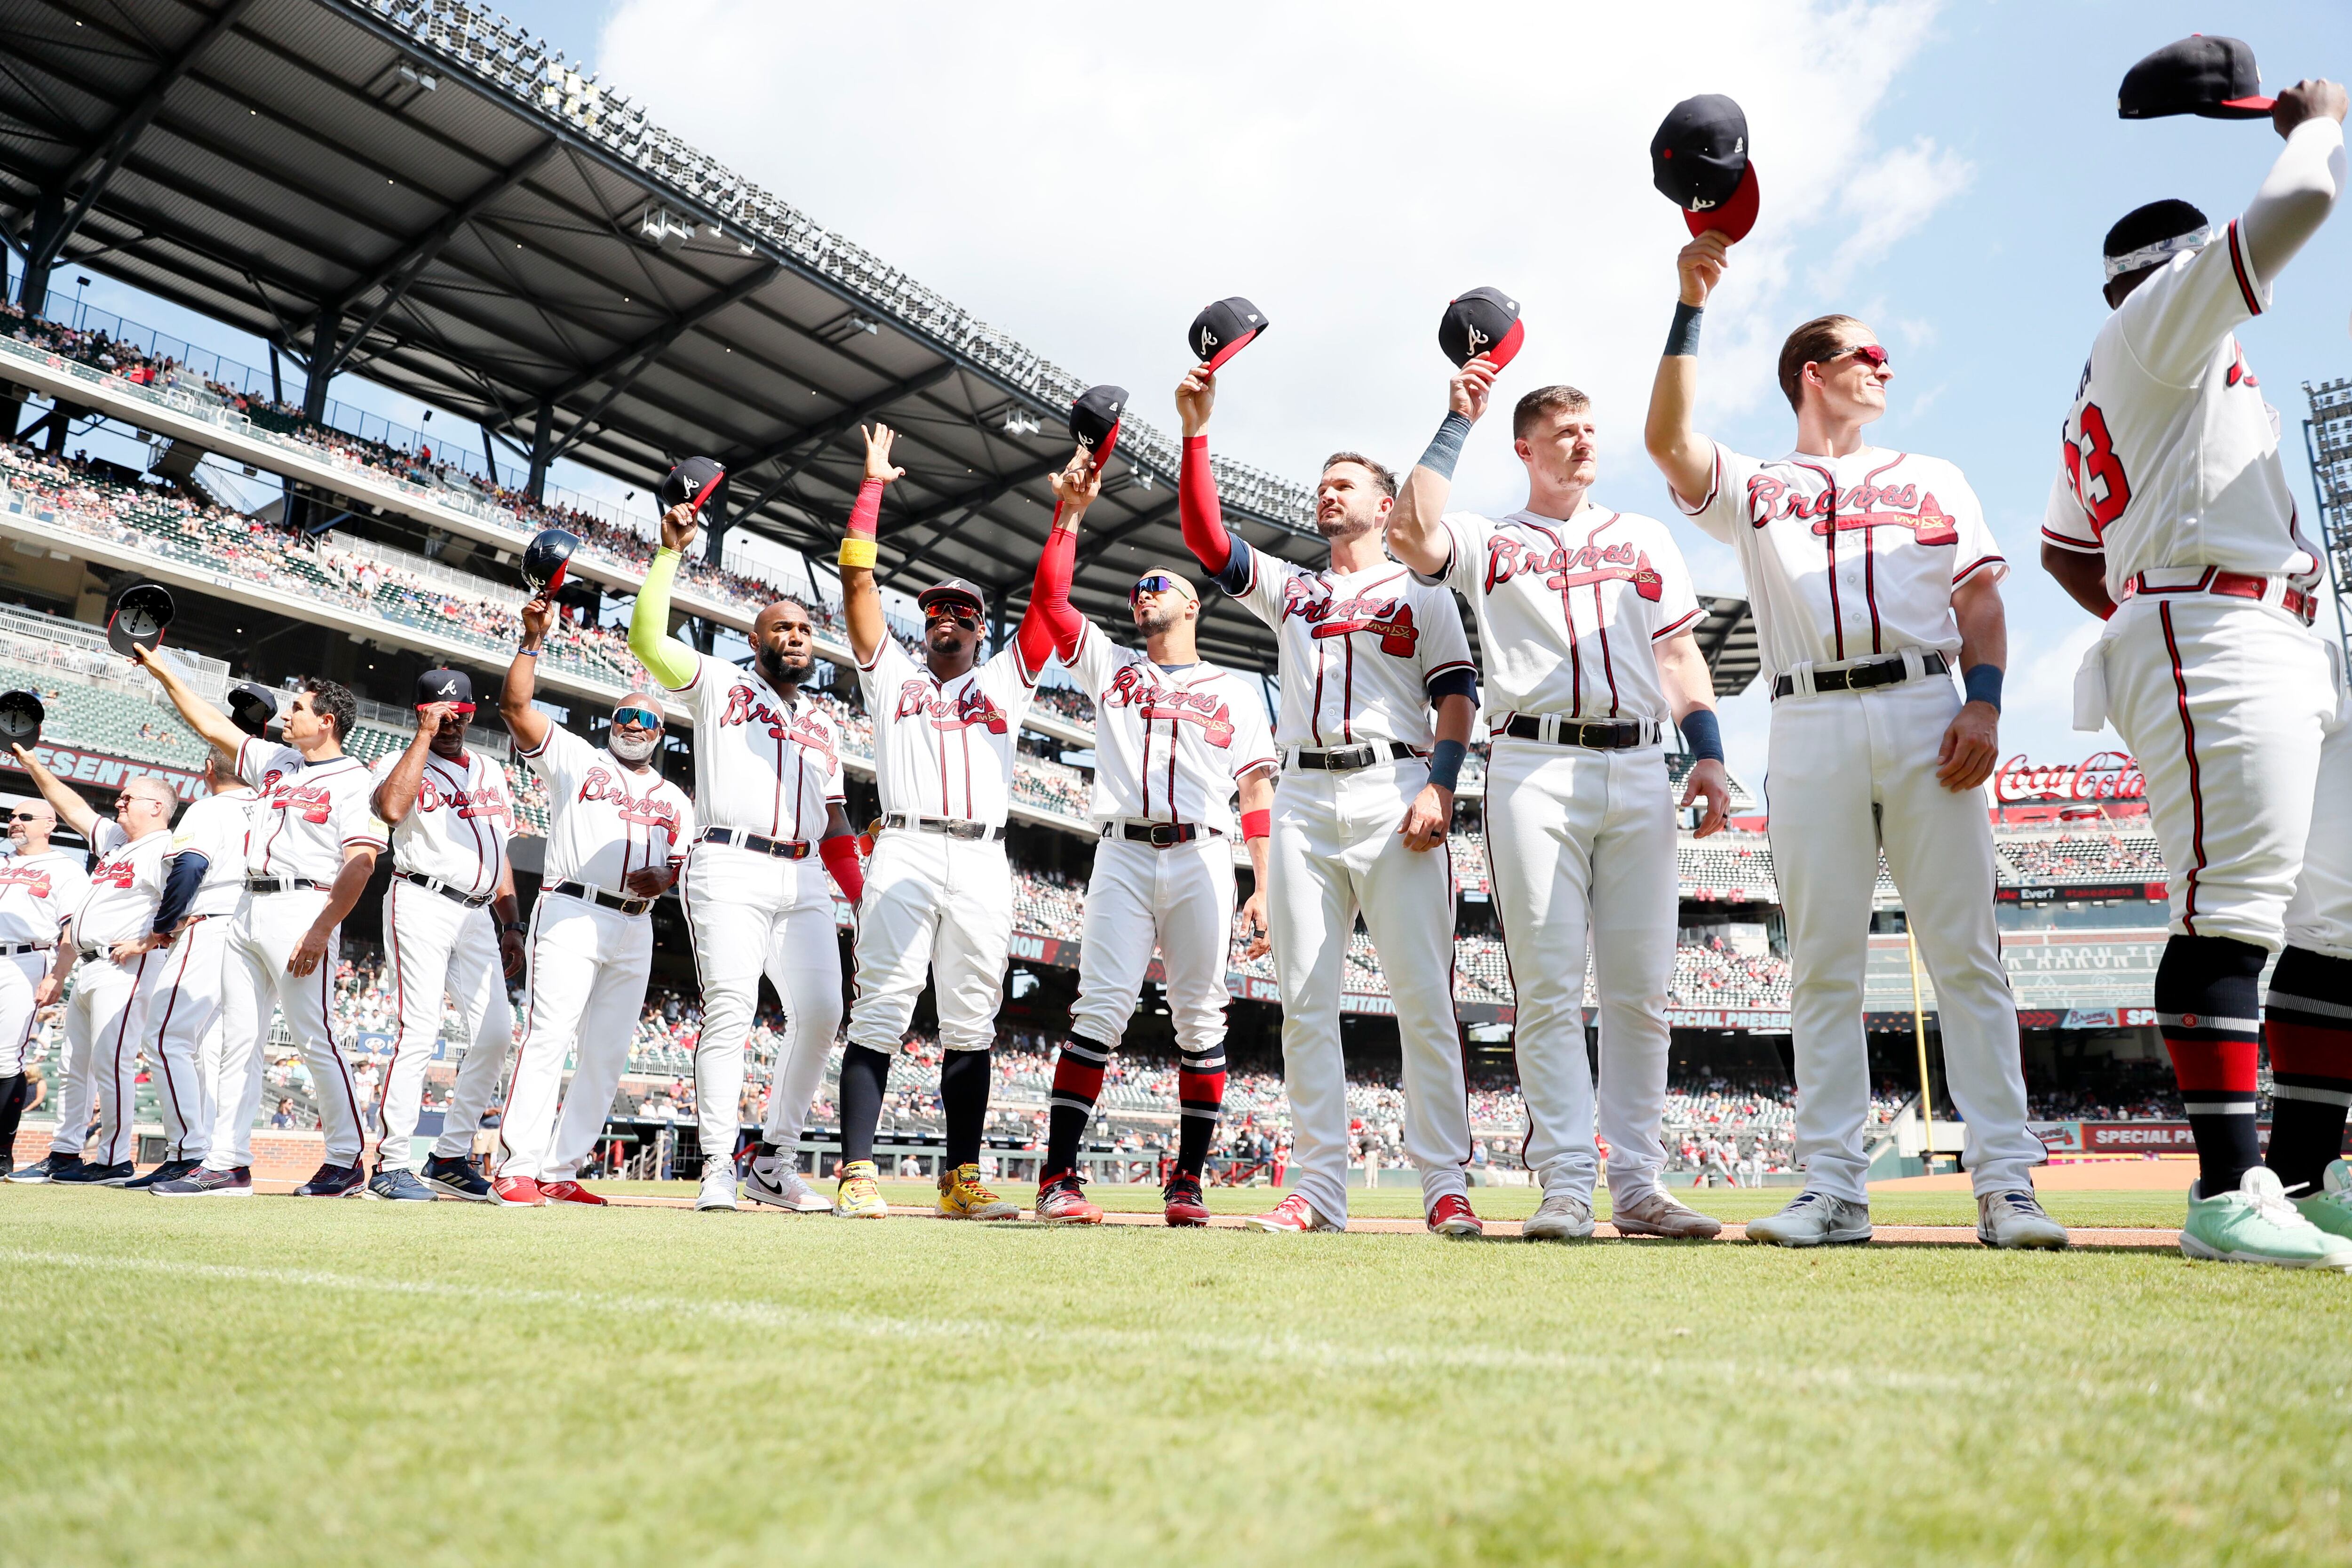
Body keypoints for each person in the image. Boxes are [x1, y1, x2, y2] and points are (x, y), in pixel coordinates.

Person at [1644, 226, 2066, 1249]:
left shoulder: (1936, 474)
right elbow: (1667, 443)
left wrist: (1987, 702)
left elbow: (1981, 603)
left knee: (1966, 952)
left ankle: (2005, 1184)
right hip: (1808, 714)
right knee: (1822, 961)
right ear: (1812, 374)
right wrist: (1691, 303)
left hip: (1930, 709)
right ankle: (1833, 1188)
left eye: (1885, 355)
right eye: (1864, 355)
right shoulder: (1757, 483)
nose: (1885, 367)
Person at [2040, 79, 2352, 1267]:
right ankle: (2227, 1191)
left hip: (2250, 623)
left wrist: (2142, 592)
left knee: (2329, 917)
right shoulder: (2161, 321)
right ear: (2171, 270)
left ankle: (2313, 1177)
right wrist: (2313, 118)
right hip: (2214, 624)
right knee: (2229, 912)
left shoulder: (2139, 362)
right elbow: (2302, 198)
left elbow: (2067, 546)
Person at [1386, 364, 1731, 1243]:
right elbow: (1407, 530)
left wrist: (1712, 755)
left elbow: (1682, 658)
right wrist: (1457, 421)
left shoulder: (1646, 534)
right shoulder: (1490, 536)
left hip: (1639, 760)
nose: (1584, 441)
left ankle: (1640, 1182)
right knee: (1545, 988)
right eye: (1565, 431)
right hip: (1533, 762)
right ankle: (1568, 1184)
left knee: (1642, 989)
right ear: (1527, 448)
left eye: (1590, 428)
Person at [1174, 361, 1486, 1237]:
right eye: (1320, 485)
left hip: (1395, 787)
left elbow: (1458, 692)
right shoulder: (1294, 589)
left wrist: (1442, 781)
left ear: (1386, 505)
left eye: (1343, 484)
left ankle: (1444, 1183)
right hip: (1305, 790)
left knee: (1423, 995)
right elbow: (1207, 538)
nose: (1326, 494)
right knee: (1306, 1002)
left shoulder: (1421, 588)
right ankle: (1318, 1185)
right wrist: (1198, 430)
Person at [1018, 446, 1277, 1227]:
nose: (1142, 596)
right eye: (1135, 591)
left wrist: (1263, 883)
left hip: (1204, 850)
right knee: (1099, 1007)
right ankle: (1058, 1176)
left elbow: (1257, 789)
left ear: (1194, 605)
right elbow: (1053, 599)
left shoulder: (1233, 687)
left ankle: (1187, 1181)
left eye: (1157, 586)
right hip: (1124, 852)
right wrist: (1070, 513)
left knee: (1202, 1016)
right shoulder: (1111, 664)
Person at [829, 421, 1056, 1222]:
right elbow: (858, 587)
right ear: (922, 626)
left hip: (985, 857)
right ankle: (857, 1169)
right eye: (935, 613)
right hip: (908, 843)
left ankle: (961, 1175)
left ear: (980, 628)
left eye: (962, 612)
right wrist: (873, 488)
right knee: (883, 1006)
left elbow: (1051, 602)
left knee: (971, 1018)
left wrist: (1066, 517)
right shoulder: (889, 673)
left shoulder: (1008, 679)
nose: (947, 620)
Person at [628, 508, 861, 1215]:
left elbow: (837, 819)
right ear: (754, 640)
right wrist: (669, 556)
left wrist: (864, 895)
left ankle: (773, 1162)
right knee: (731, 1009)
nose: (795, 636)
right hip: (729, 861)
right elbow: (646, 640)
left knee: (822, 1013)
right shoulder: (719, 682)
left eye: (805, 629)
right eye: (780, 628)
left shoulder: (825, 722)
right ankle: (719, 1168)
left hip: (804, 874)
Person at [138, 655, 385, 1198]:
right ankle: (227, 1162)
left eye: (297, 707)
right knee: (237, 1041)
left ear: (327, 721)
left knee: (315, 1037)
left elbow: (362, 861)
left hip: (306, 907)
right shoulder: (277, 762)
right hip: (249, 906)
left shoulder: (355, 780)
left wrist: (323, 929)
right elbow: (209, 724)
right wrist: (160, 668)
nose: (287, 714)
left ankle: (345, 1160)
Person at [497, 597, 693, 1207]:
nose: (633, 723)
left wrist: (668, 879)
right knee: (548, 1036)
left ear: (661, 733)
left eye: (646, 718)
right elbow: (516, 708)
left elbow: (685, 864)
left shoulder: (678, 801)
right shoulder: (579, 760)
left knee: (607, 1053)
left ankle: (560, 1166)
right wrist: (532, 642)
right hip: (572, 910)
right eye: (625, 714)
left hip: (636, 927)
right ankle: (516, 1165)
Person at [365, 669, 525, 1202]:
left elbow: (498, 852)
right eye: (441, 712)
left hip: (479, 914)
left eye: (461, 714)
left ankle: (450, 1156)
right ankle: (390, 1165)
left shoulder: (491, 771)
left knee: (496, 1034)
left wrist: (511, 923)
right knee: (419, 1030)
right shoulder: (400, 760)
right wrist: (425, 736)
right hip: (421, 899)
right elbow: (390, 810)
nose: (453, 722)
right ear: (422, 711)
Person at [14, 765, 177, 1185]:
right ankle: (65, 1153)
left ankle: (114, 1160)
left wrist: (150, 940)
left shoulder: (167, 848)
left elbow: (191, 903)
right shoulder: (119, 842)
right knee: (73, 1066)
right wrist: (31, 762)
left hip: (127, 966)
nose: (119, 802)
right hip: (89, 964)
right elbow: (72, 808)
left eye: (129, 797)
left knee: (112, 1061)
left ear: (157, 806)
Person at [139, 751, 261, 1193]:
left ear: (208, 769)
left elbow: (191, 864)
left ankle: (189, 1153)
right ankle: (218, 1157)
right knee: (216, 1046)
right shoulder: (267, 800)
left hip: (213, 920)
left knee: (166, 1036)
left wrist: (164, 922)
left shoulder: (211, 806)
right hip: (255, 921)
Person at [0, 797, 91, 1182]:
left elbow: (72, 929)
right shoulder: (2, 861)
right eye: (11, 816)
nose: (15, 822)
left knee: (5, 1057)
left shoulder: (66, 869)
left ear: (50, 824)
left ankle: (2, 1151)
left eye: (25, 817)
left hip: (24, 959)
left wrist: (58, 973)